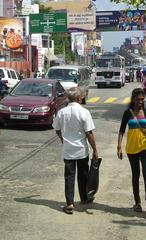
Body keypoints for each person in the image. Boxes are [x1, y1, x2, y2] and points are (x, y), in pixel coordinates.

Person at [52, 87, 98, 215]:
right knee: (83, 175)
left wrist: (63, 139)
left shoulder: (62, 112)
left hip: (68, 150)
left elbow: (57, 129)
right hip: (82, 150)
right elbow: (89, 133)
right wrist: (95, 150)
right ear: (78, 98)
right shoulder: (84, 112)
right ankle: (84, 198)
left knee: (69, 176)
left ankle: (69, 203)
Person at [117, 88, 146, 222]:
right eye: (138, 99)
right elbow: (122, 131)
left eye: (142, 99)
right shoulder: (127, 113)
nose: (140, 102)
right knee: (135, 175)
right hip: (131, 149)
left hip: (145, 147)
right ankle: (137, 203)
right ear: (133, 99)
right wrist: (119, 146)